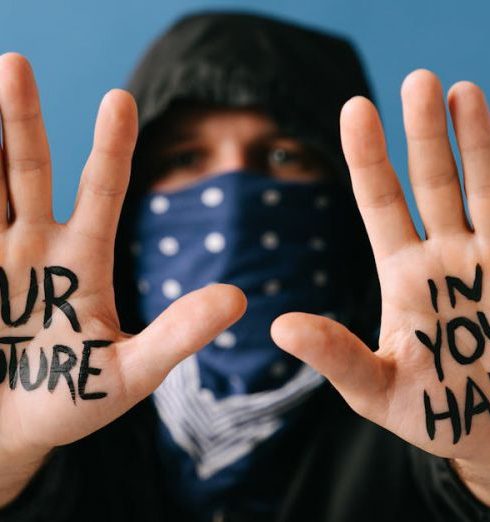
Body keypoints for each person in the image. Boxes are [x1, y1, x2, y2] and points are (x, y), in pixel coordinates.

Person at [0, 9, 489, 522]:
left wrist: (479, 472)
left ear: (341, 196)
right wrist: (9, 460)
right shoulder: (66, 405)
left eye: (282, 157)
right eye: (184, 159)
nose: (233, 203)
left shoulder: (426, 383)